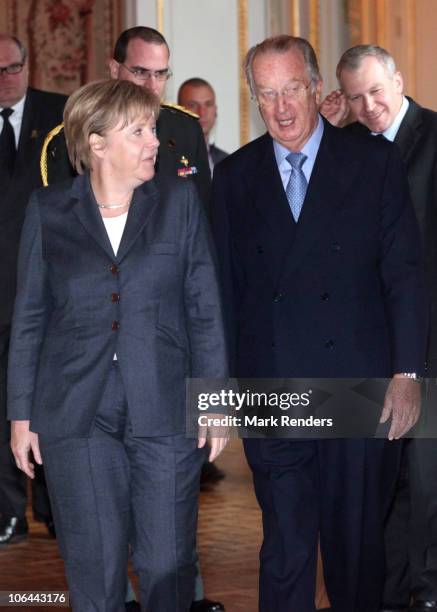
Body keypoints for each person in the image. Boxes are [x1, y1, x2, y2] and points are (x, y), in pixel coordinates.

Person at [211, 34, 426, 612]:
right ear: (254, 97)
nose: (281, 108)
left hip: (359, 386)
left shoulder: (373, 159)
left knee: (356, 551)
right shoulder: (234, 178)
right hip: (272, 388)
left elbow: (403, 273)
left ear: (314, 87)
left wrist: (408, 374)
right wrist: (221, 390)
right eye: (266, 94)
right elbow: (222, 294)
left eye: (291, 90)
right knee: (285, 548)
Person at [8, 78, 228, 612]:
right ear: (97, 142)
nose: (154, 141)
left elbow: (204, 307)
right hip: (74, 415)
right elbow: (31, 316)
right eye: (139, 131)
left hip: (164, 407)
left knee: (167, 562)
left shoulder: (179, 204)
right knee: (94, 566)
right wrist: (20, 415)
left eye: (152, 128)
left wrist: (215, 400)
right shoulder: (48, 209)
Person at [320, 44, 437, 612]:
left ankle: (429, 590)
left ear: (399, 79)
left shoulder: (435, 138)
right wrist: (325, 127)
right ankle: (389, 594)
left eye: (377, 91)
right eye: (356, 96)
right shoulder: (345, 149)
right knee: (382, 476)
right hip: (370, 343)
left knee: (427, 476)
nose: (369, 106)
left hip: (430, 337)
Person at [0, 33, 66, 545]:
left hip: (51, 293)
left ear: (28, 64)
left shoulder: (61, 114)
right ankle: (8, 512)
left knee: (48, 404)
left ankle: (56, 509)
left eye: (13, 67)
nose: (6, 79)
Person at [178, 78, 228, 175]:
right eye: (192, 105)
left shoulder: (227, 161)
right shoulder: (163, 160)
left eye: (208, 104)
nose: (202, 112)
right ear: (178, 111)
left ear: (215, 111)